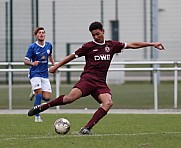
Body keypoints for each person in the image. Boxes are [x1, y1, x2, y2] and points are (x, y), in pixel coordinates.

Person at [28, 21, 164, 133]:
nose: (96, 37)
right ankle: (42, 107)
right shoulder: (88, 46)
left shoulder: (112, 45)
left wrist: (152, 44)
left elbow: (133, 45)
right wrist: (56, 66)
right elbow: (72, 56)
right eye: (93, 35)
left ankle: (87, 128)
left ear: (103, 31)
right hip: (88, 79)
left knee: (108, 102)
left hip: (100, 83)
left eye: (98, 34)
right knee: (70, 98)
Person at [25, 27, 55, 122]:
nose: (41, 34)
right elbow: (25, 61)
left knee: (47, 98)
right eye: (39, 33)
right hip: (34, 73)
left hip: (44, 74)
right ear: (36, 35)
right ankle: (37, 117)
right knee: (39, 95)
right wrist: (32, 63)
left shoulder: (49, 45)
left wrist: (54, 65)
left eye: (43, 32)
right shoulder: (32, 47)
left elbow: (50, 56)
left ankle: (34, 92)